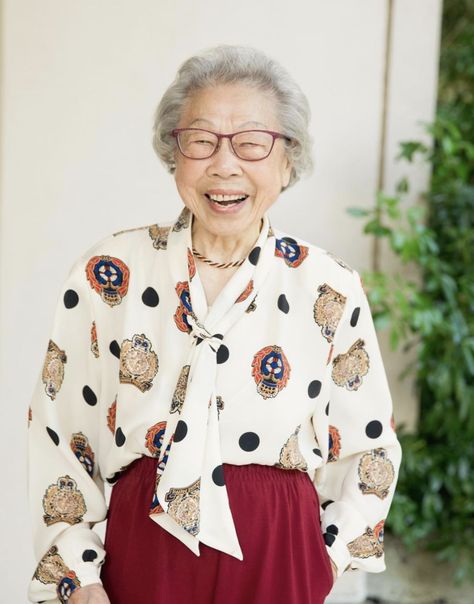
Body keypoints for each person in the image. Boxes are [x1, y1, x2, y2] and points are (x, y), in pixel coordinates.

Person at [27, 44, 402, 604]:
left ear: (287, 159)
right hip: (143, 554)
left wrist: (323, 558)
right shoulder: (111, 273)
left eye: (252, 144)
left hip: (280, 555)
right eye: (201, 141)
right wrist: (77, 580)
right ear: (173, 154)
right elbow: (60, 436)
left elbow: (370, 447)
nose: (225, 165)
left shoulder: (328, 285)